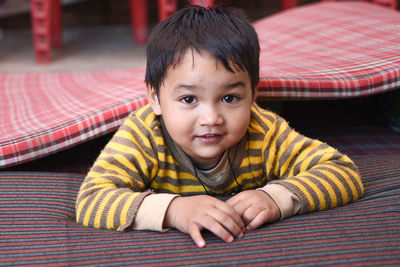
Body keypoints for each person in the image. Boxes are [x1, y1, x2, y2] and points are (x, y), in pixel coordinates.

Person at [75, 5, 364, 248]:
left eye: (230, 98)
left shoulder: (265, 132)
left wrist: (274, 198)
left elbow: (342, 171)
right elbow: (92, 199)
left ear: (253, 94)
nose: (211, 117)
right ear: (155, 98)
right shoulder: (144, 135)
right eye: (189, 99)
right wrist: (174, 210)